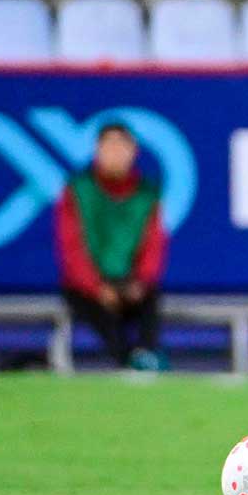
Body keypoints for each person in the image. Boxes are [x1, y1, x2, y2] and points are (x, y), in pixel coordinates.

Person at [55, 123, 167, 371]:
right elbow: (71, 248)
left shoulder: (147, 194)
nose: (115, 153)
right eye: (109, 146)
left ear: (133, 151)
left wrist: (140, 282)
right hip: (87, 286)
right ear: (98, 150)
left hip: (131, 282)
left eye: (121, 147)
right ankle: (128, 363)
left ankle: (148, 355)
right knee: (101, 316)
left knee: (151, 299)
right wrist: (97, 287)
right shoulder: (78, 190)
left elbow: (154, 246)